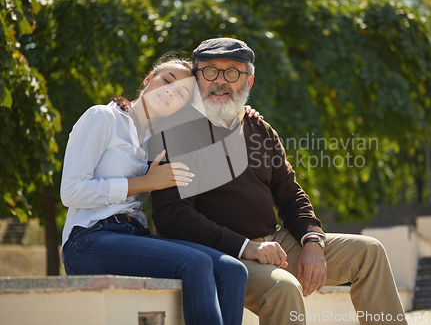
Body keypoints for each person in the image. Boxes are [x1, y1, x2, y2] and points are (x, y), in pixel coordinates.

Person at [150, 39, 409, 325]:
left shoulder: (259, 128)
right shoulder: (177, 131)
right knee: (283, 288)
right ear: (197, 77)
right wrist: (246, 246)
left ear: (249, 79)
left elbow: (290, 194)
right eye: (210, 71)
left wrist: (312, 241)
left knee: (367, 253)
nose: (220, 81)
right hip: (222, 253)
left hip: (274, 244)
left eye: (232, 72)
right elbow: (171, 216)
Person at [60, 55, 252, 325]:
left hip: (133, 235)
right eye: (167, 81)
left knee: (233, 270)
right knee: (195, 264)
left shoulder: (160, 141)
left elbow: (214, 125)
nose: (170, 92)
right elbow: (71, 192)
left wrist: (244, 113)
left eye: (182, 94)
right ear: (149, 80)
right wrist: (145, 183)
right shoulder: (103, 117)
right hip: (88, 239)